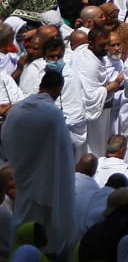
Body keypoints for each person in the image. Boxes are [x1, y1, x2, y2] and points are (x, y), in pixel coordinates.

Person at [5, 69, 75, 252]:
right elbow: (63, 150)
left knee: (21, 215)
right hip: (45, 182)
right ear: (59, 88)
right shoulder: (53, 114)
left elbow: (7, 138)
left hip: (21, 174)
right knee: (43, 226)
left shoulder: (18, 109)